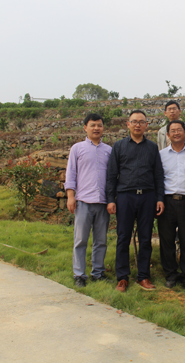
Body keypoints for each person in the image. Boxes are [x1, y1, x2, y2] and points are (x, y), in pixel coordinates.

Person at [106, 110, 165, 293]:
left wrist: (160, 198)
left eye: (141, 122)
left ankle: (143, 276)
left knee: (146, 238)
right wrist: (111, 199)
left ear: (146, 125)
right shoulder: (119, 146)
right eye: (134, 121)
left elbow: (158, 174)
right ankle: (122, 277)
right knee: (123, 237)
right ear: (128, 124)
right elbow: (112, 175)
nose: (137, 125)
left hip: (147, 197)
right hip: (125, 196)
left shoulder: (152, 147)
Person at [65, 113, 113, 288]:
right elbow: (71, 173)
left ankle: (98, 272)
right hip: (83, 201)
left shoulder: (109, 150)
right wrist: (70, 196)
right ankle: (79, 274)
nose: (96, 128)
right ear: (85, 127)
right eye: (93, 125)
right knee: (80, 240)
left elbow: (112, 177)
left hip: (102, 202)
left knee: (101, 241)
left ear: (103, 128)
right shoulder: (77, 149)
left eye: (99, 125)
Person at [158, 120, 185, 292]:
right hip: (167, 201)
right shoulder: (161, 155)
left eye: (179, 130)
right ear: (168, 135)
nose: (176, 133)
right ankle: (171, 274)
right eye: (172, 131)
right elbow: (158, 179)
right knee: (167, 240)